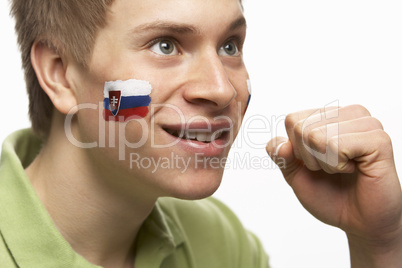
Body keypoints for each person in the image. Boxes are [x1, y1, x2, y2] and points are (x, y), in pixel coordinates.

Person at [0, 0, 401, 268]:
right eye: (165, 45)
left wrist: (378, 245)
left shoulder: (217, 243)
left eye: (229, 46)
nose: (222, 89)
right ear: (59, 74)